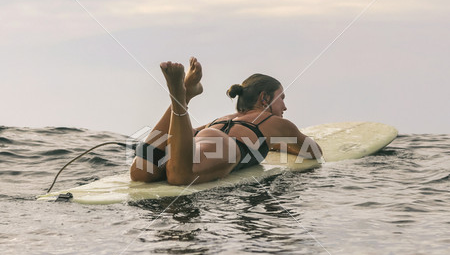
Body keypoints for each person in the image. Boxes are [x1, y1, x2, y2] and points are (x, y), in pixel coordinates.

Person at [130, 57, 322, 185]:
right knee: (181, 177)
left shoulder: (223, 119)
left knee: (140, 173)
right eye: (281, 98)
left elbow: (179, 134)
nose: (285, 107)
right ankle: (179, 97)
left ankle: (185, 96)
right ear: (264, 98)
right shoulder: (273, 121)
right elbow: (313, 151)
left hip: (196, 140)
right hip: (224, 146)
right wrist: (280, 144)